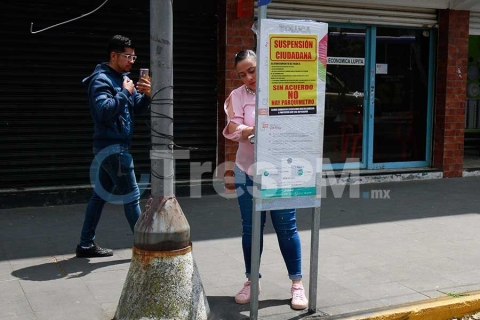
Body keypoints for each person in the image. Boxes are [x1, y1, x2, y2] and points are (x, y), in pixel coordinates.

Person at [222, 49, 308, 310]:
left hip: (281, 172)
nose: (248, 77)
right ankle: (251, 280)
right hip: (246, 171)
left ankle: (297, 284)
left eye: (252, 70)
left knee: (286, 228)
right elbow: (233, 129)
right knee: (251, 229)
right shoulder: (236, 97)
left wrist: (255, 130)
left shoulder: (282, 90)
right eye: (242, 74)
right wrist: (252, 130)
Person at [75, 35, 151, 258]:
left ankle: (85, 244)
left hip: (113, 147)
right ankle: (144, 248)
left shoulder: (123, 78)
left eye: (133, 57)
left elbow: (136, 108)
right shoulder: (101, 80)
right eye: (127, 56)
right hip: (112, 149)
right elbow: (103, 111)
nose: (131, 61)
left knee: (99, 195)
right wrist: (125, 92)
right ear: (113, 55)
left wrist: (145, 95)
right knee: (132, 195)